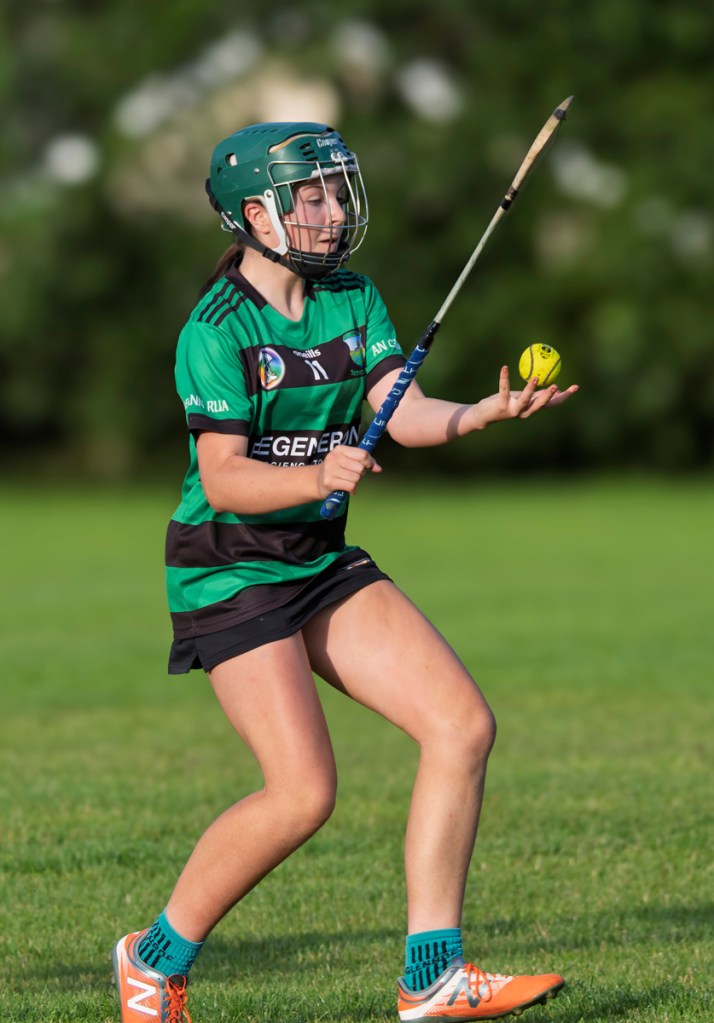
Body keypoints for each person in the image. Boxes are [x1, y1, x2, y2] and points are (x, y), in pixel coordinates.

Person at [112, 121, 578, 1023]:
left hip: (317, 559)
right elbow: (224, 479)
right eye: (312, 196)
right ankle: (152, 958)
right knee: (303, 791)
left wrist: (480, 413)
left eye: (337, 191)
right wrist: (316, 474)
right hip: (229, 570)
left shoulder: (353, 297)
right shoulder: (216, 329)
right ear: (256, 215)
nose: (334, 211)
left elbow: (401, 413)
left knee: (461, 725)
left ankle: (432, 976)